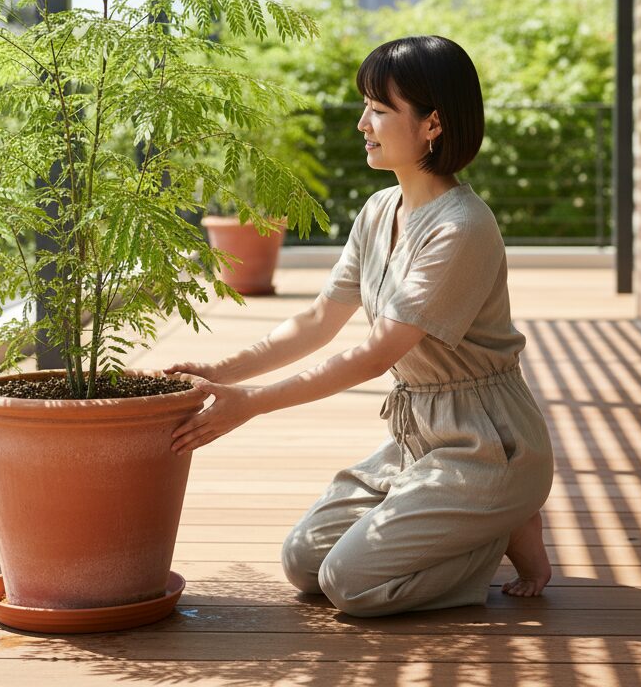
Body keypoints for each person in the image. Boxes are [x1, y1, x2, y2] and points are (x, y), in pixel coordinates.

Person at [166, 35, 555, 615]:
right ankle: (472, 515)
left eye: (378, 109)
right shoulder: (379, 211)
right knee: (304, 564)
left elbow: (376, 355)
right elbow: (320, 319)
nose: (361, 123)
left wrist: (249, 402)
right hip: (417, 437)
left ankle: (497, 523)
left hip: (488, 443)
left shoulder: (462, 228)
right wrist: (218, 371)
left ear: (433, 124)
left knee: (351, 586)